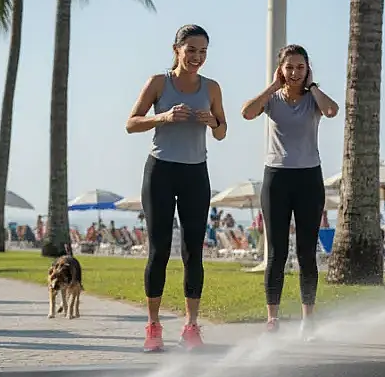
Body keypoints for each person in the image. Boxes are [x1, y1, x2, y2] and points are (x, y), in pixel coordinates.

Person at [125, 24, 228, 352]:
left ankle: (191, 326)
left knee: (193, 252)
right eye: (191, 50)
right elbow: (131, 123)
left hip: (196, 173)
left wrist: (212, 122)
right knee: (158, 250)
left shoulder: (211, 88)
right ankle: (153, 327)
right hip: (161, 171)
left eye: (203, 51)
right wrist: (164, 117)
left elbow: (222, 130)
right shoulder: (158, 83)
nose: (197, 57)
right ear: (177, 50)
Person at [241, 44, 338, 339]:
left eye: (300, 67)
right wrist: (272, 86)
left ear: (308, 69)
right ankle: (273, 318)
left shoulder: (313, 100)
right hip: (277, 179)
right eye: (289, 67)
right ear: (281, 69)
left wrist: (313, 87)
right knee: (277, 253)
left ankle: (308, 318)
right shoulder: (272, 100)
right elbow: (247, 113)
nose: (294, 73)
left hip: (309, 179)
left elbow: (332, 111)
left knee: (307, 252)